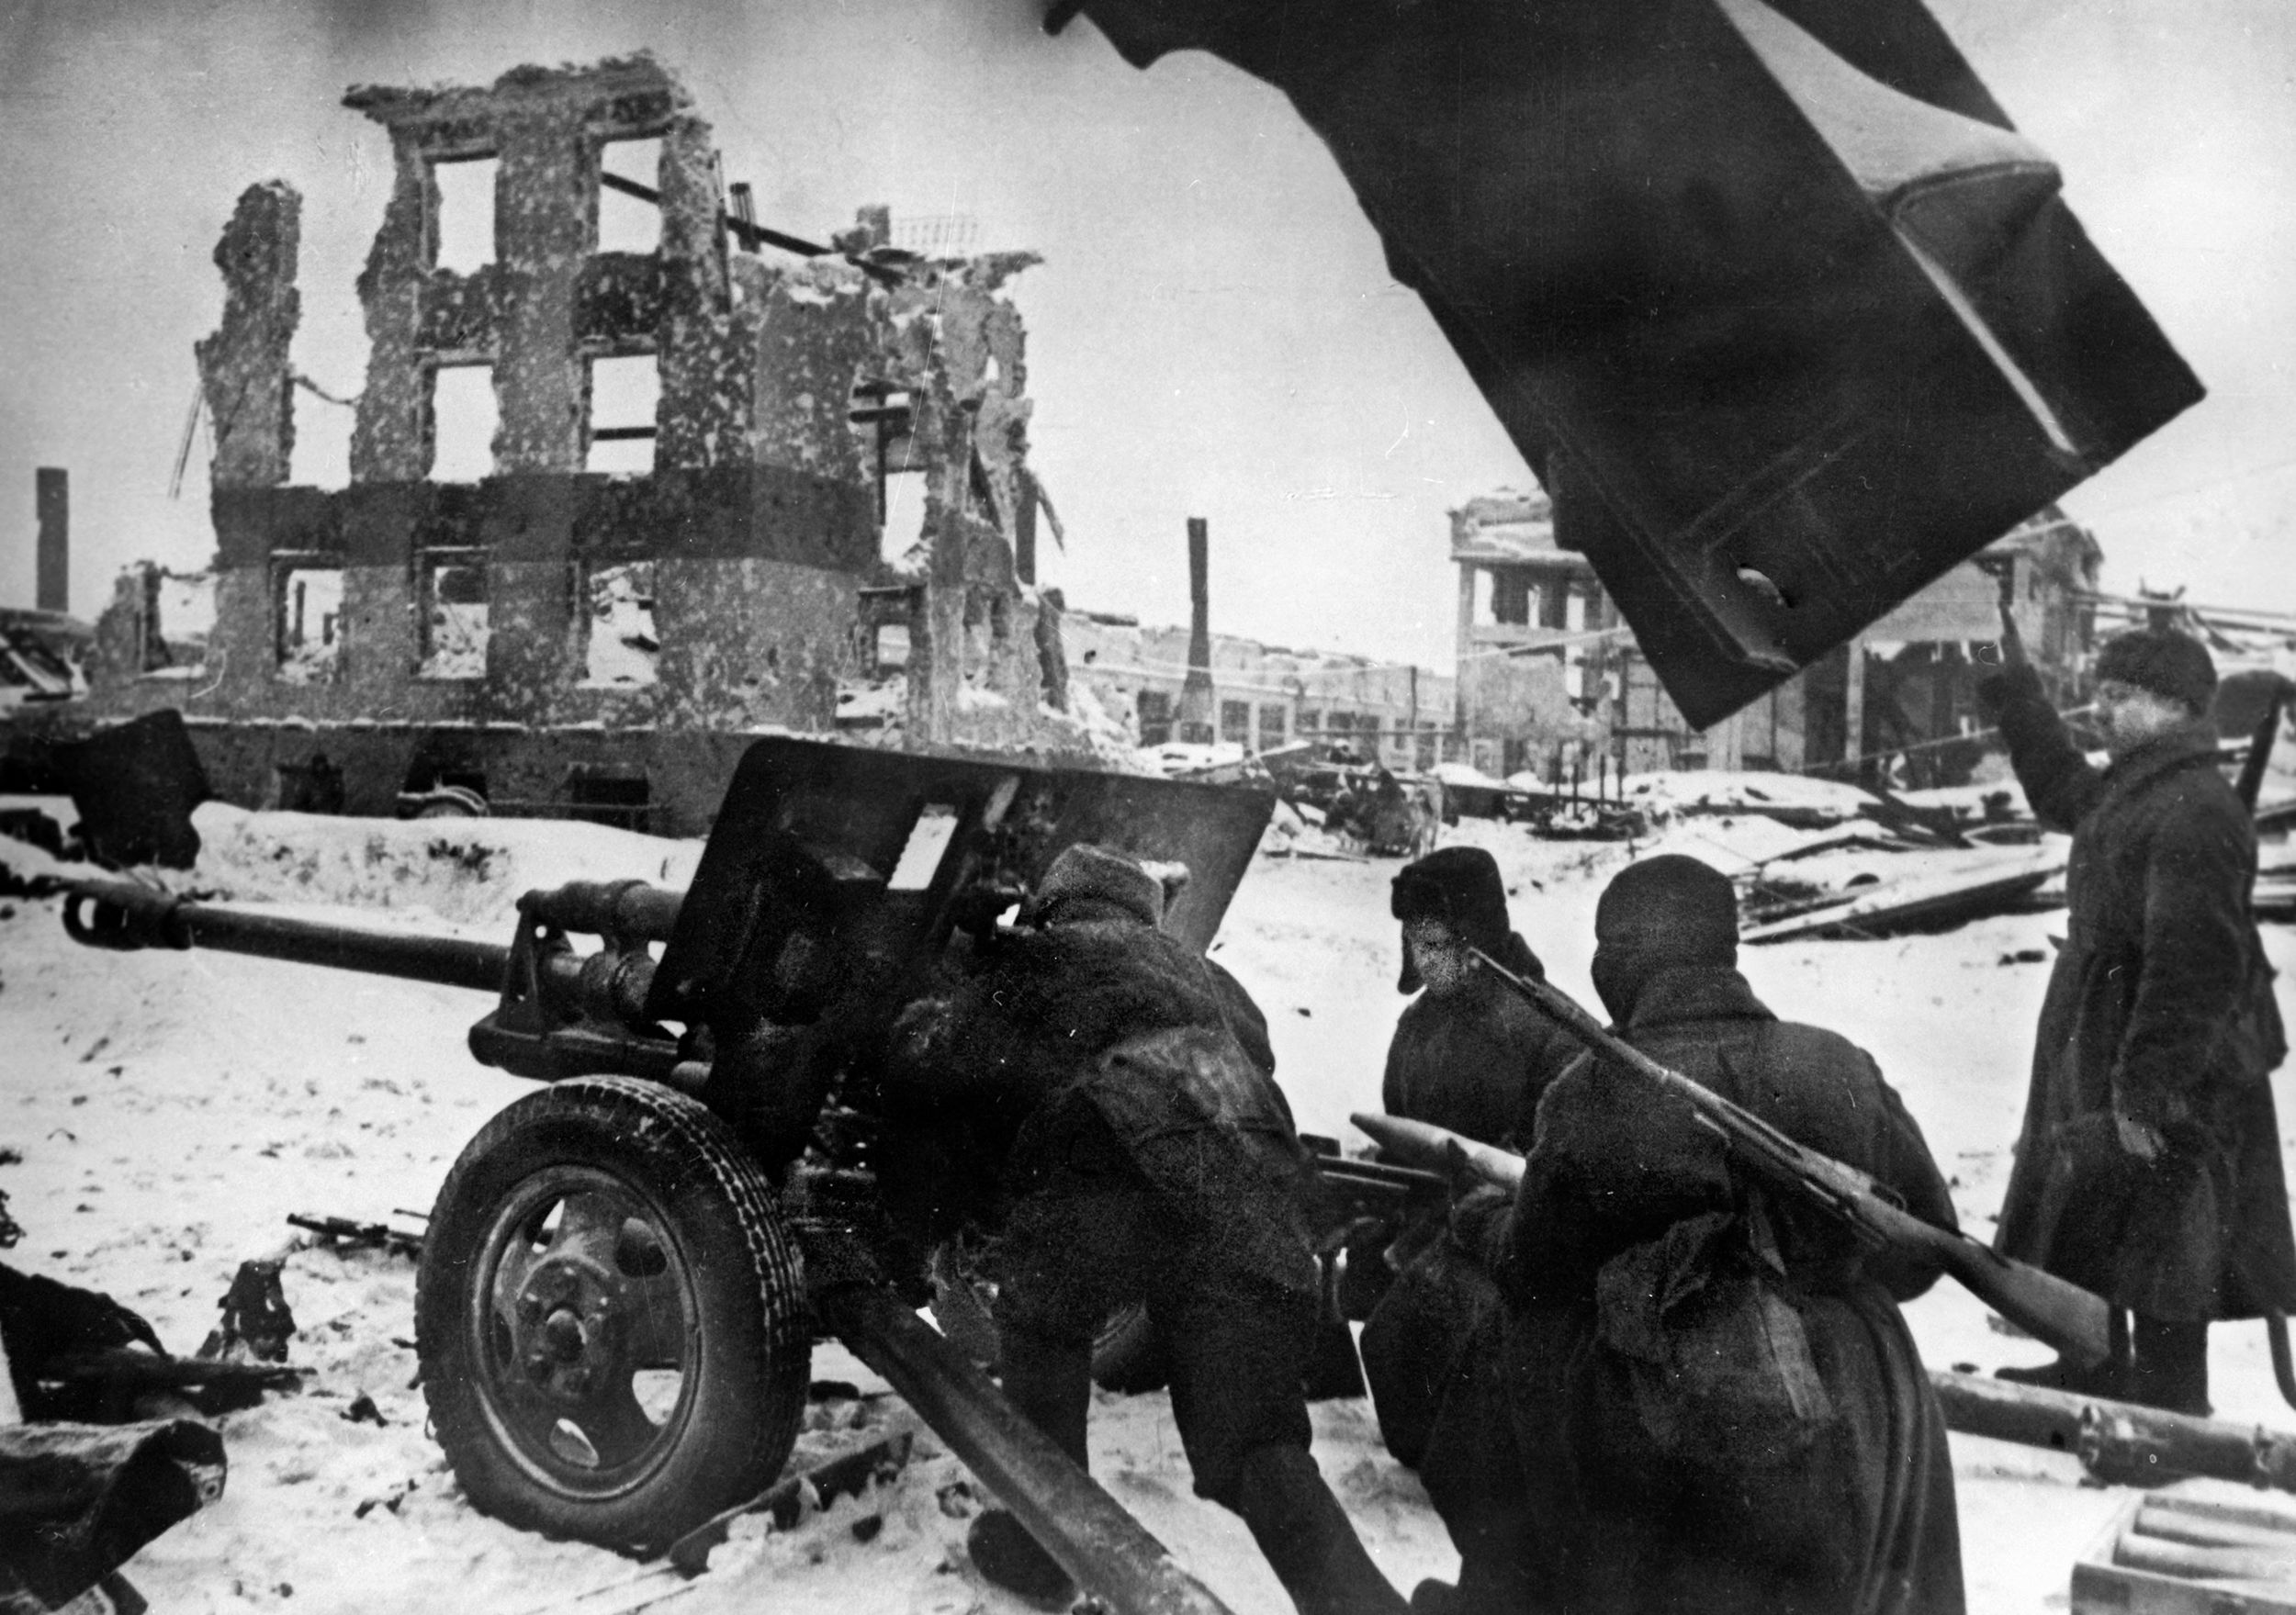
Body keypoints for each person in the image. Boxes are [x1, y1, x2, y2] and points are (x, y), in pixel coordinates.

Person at [1420, 854, 1964, 1615]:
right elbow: (1925, 1247)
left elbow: (1531, 1271)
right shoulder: (1835, 1062)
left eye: (1608, 946)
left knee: (1521, 1340)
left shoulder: (1589, 1092)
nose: (1599, 965)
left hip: (1666, 1408)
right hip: (1859, 1413)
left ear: (1632, 957)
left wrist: (1481, 1213)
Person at [878, 844, 1408, 1615]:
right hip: (1255, 1178)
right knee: (1256, 1438)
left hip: (1111, 1154)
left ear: (1053, 905)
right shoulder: (1207, 976)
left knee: (1043, 1322)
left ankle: (1043, 1547)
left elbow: (933, 1061)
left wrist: (933, 996)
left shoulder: (1042, 954)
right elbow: (1256, 1047)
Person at [1981, 629, 2296, 1414]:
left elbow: (2195, 967)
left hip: (2175, 1047)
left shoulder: (2196, 808)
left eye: (2120, 694)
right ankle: (2096, 1365)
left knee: (2168, 1219)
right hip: (2112, 1023)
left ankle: (2169, 1405)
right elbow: (2060, 788)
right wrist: (2017, 690)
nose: (2102, 705)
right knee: (2103, 1197)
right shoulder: (2135, 787)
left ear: (2174, 706)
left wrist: (2146, 1087)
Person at [1356, 847, 1581, 1464]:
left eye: (1438, 944)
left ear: (1475, 938)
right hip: (1426, 1228)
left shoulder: (1550, 1027)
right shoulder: (1417, 1026)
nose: (1425, 961)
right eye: (1415, 945)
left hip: (1510, 1242)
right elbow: (1397, 1119)